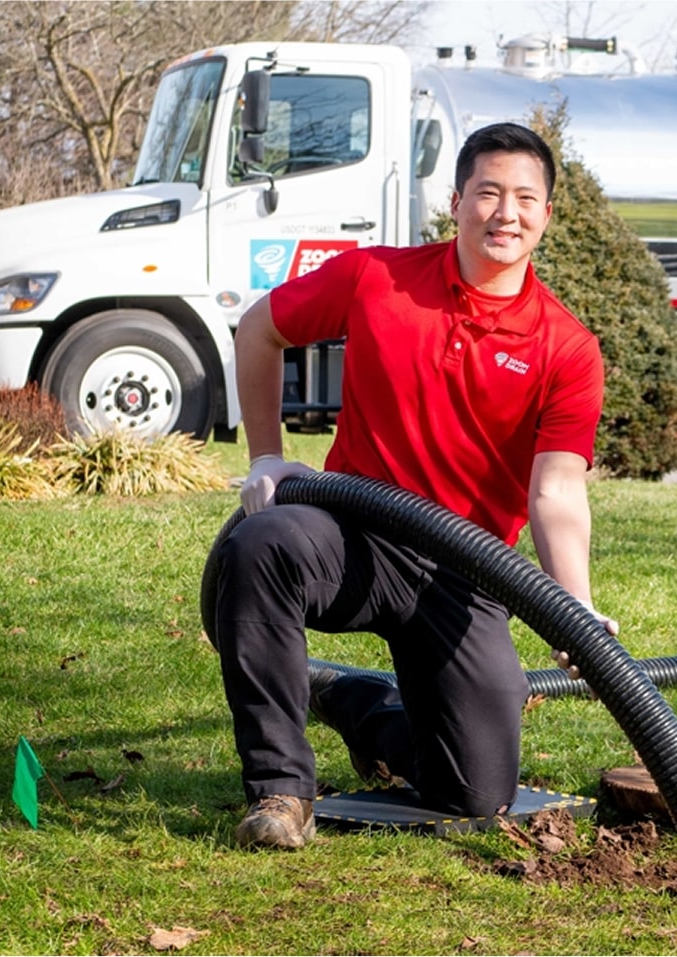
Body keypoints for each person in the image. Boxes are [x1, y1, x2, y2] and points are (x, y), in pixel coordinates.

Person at [213, 122, 617, 850]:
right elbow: (257, 330)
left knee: (474, 792)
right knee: (262, 541)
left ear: (546, 216)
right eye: (488, 192)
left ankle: (351, 699)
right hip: (351, 537)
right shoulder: (378, 279)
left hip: (464, 572)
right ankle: (280, 792)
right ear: (457, 200)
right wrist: (268, 456)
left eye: (525, 198)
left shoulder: (566, 347)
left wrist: (573, 607)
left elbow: (556, 489)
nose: (506, 212)